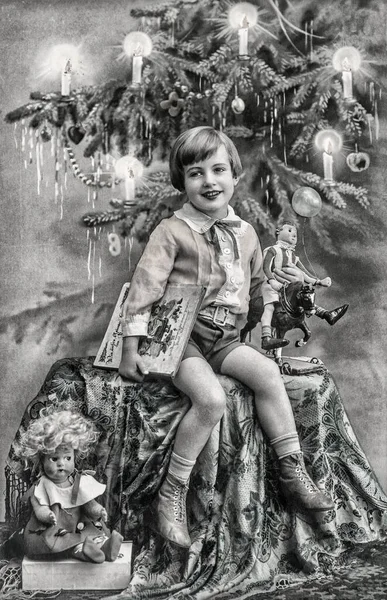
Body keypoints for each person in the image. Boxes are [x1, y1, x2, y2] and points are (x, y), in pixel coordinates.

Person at [119, 126, 334, 549]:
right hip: (180, 340)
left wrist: (266, 311)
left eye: (218, 170)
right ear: (183, 182)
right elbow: (144, 287)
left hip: (225, 338)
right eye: (196, 173)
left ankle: (292, 471)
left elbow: (255, 289)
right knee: (213, 400)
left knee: (268, 375)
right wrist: (131, 347)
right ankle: (172, 492)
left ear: (235, 176)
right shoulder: (173, 230)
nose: (209, 181)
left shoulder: (247, 233)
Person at [15, 408, 123, 563]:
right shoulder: (42, 485)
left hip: (79, 524)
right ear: (41, 460)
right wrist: (47, 515)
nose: (61, 463)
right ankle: (83, 552)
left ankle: (105, 548)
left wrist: (98, 510)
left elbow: (88, 504)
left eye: (67, 458)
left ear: (75, 456)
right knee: (64, 542)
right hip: (55, 528)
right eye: (54, 459)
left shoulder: (78, 480)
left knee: (93, 533)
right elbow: (39, 509)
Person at [261, 221, 348, 350]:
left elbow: (305, 273)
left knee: (304, 298)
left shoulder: (293, 255)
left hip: (290, 287)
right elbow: (265, 267)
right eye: (290, 230)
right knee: (269, 307)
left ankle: (327, 314)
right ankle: (266, 337)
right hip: (272, 285)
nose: (294, 235)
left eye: (295, 233)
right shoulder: (273, 250)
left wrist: (319, 281)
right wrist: (272, 280)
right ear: (278, 232)